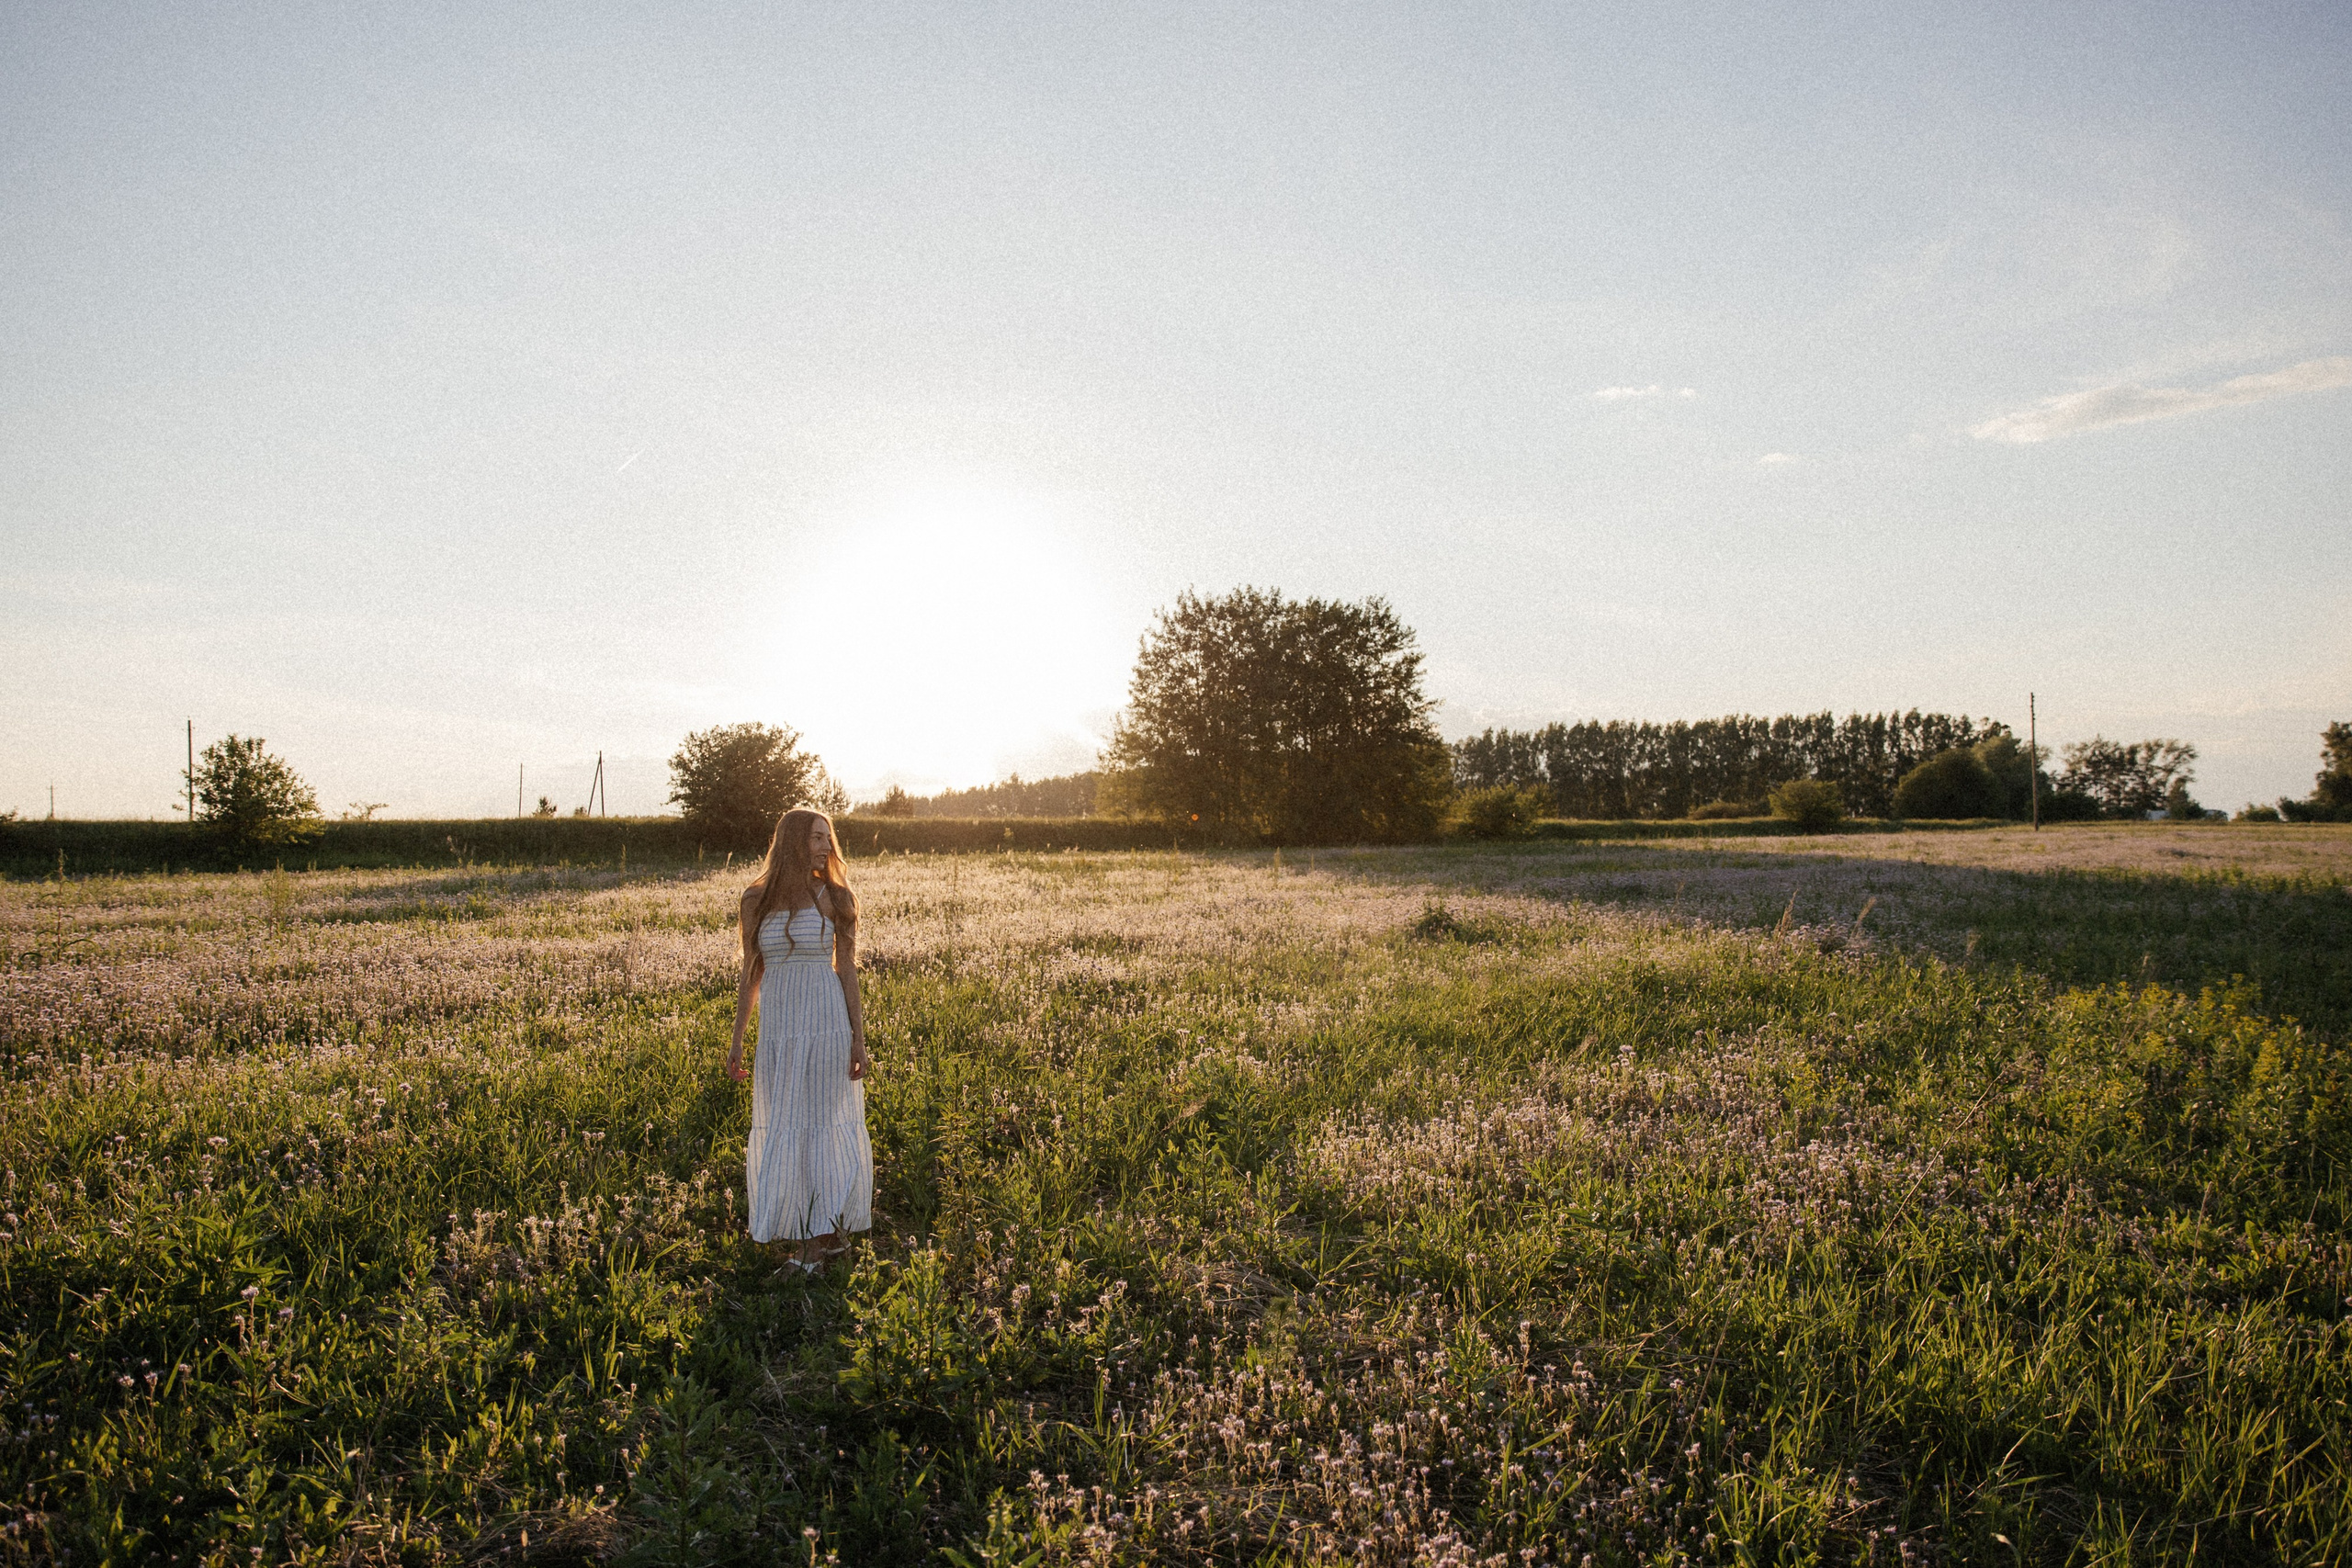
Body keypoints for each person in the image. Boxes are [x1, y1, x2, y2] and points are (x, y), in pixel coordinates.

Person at [728, 807, 872, 1272]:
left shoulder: (834, 896)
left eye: (828, 837)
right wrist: (736, 1043)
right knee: (788, 1121)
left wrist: (858, 1039)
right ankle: (819, 1234)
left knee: (821, 1124)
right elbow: (750, 974)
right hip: (780, 1030)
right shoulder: (756, 899)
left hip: (826, 1022)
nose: (826, 846)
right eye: (816, 837)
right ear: (792, 841)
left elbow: (846, 970)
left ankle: (817, 1244)